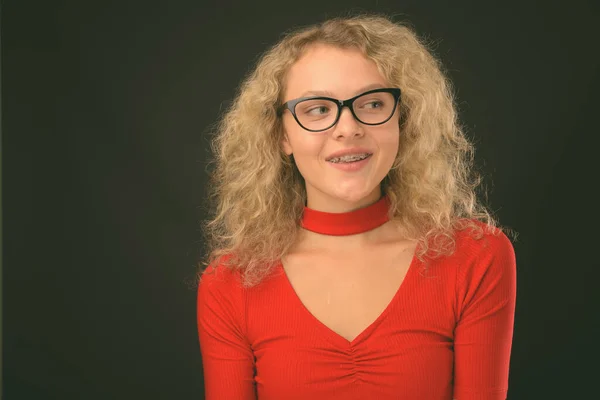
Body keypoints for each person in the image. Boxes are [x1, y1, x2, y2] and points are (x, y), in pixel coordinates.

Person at [196, 13, 517, 400]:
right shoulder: (230, 283)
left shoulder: (476, 256)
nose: (348, 127)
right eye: (318, 109)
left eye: (372, 103)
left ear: (402, 120)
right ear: (282, 135)